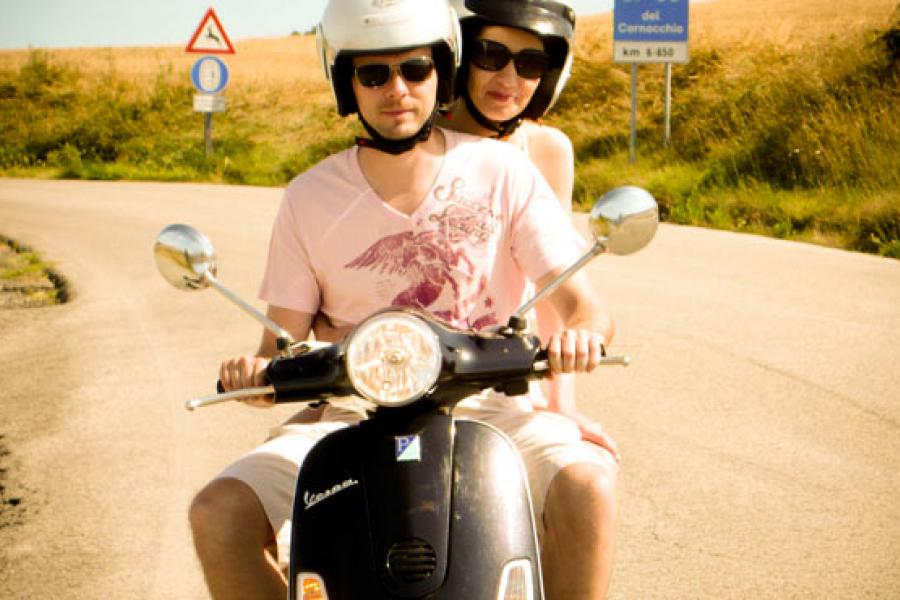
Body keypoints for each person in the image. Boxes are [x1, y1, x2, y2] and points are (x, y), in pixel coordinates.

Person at [187, 0, 617, 598]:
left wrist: (582, 335)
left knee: (587, 487)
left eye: (415, 70)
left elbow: (585, 306)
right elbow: (277, 348)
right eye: (373, 74)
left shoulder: (501, 171)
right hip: (343, 416)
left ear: (442, 71)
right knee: (218, 512)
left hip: (488, 407)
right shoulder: (308, 198)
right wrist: (254, 373)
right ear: (346, 82)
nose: (397, 89)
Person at [439, 2, 621, 591]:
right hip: (416, 367)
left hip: (505, 374)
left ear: (551, 74)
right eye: (490, 56)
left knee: (580, 487)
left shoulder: (545, 150)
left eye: (530, 62)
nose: (508, 78)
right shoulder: (418, 128)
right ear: (463, 56)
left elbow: (552, 282)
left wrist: (559, 403)